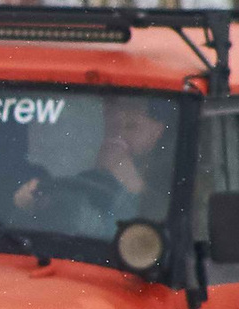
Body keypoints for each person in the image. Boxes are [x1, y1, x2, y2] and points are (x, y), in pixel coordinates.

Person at [13, 97, 171, 233]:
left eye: (131, 126)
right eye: (112, 126)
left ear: (156, 132)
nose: (118, 136)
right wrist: (30, 204)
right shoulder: (73, 184)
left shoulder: (168, 185)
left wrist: (131, 185)